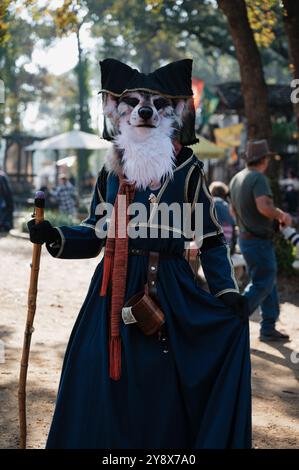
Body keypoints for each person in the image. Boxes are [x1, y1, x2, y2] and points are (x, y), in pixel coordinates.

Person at [28, 58, 251, 449]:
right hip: (111, 292)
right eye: (133, 102)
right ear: (118, 112)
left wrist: (225, 291)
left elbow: (212, 239)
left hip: (171, 289)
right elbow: (95, 232)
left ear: (172, 111)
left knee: (161, 382)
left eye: (155, 103)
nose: (144, 109)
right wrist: (54, 234)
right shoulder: (109, 173)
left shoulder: (189, 172)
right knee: (103, 379)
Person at [230, 139, 292, 342]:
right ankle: (232, 319)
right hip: (257, 240)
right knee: (262, 282)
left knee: (268, 282)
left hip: (247, 238)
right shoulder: (258, 178)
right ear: (264, 159)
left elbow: (233, 211)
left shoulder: (237, 178)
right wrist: (281, 215)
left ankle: (268, 327)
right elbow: (264, 206)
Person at [209, 181, 236, 250]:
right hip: (228, 242)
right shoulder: (228, 206)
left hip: (213, 242)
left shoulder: (210, 204)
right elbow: (233, 224)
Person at [0, 167, 14, 232]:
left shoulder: (2, 176)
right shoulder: (2, 175)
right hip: (4, 197)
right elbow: (6, 190)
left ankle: (4, 225)